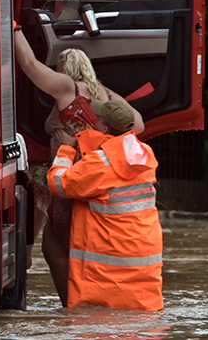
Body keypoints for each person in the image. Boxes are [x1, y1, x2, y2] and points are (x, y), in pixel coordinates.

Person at [13, 28, 143, 306]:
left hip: (71, 178)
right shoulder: (105, 94)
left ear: (65, 68)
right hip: (97, 178)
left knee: (54, 238)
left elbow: (29, 64)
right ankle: (80, 308)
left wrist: (13, 28)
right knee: (66, 244)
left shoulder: (66, 87)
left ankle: (73, 308)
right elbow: (138, 124)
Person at [47, 99, 163, 311]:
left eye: (98, 117)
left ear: (104, 127)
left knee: (96, 321)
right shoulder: (145, 153)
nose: (95, 119)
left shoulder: (99, 164)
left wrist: (66, 150)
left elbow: (59, 184)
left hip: (107, 267)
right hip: (142, 262)